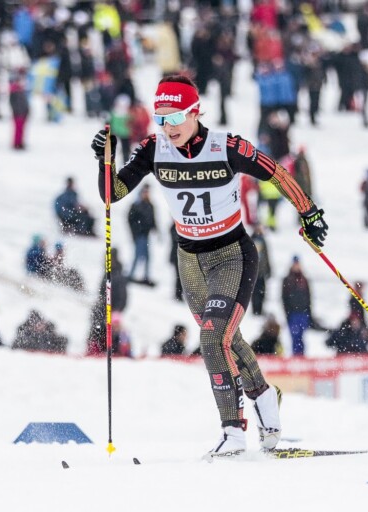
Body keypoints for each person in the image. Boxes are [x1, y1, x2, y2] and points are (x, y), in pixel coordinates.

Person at [91, 74, 328, 457]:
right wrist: (106, 159)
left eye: (175, 118)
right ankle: (266, 398)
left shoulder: (225, 147)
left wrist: (309, 212)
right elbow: (112, 194)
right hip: (190, 261)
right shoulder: (154, 149)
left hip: (232, 254)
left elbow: (276, 172)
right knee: (226, 340)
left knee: (212, 338)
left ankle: (233, 433)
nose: (168, 127)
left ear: (195, 112)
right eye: (160, 118)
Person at [281, 256, 314, 357]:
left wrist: (309, 313)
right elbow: (284, 298)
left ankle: (302, 357)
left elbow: (309, 297)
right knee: (295, 338)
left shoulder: (304, 280)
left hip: (303, 313)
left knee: (301, 338)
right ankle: (296, 357)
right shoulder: (287, 280)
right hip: (293, 314)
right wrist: (287, 313)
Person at [127, 185, 157, 286]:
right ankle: (131, 275)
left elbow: (152, 219)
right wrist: (136, 231)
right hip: (139, 235)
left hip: (146, 234)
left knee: (147, 256)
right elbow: (130, 220)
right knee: (138, 255)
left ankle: (145, 276)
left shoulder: (150, 205)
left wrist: (154, 228)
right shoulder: (136, 205)